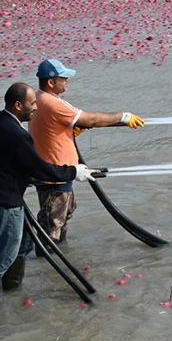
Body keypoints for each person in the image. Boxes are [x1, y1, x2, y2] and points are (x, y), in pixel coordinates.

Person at [0, 83, 95, 307]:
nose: (36, 109)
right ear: (18, 105)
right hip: (3, 204)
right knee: (1, 256)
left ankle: (12, 293)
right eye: (32, 104)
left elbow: (6, 162)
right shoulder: (18, 134)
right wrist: (74, 171)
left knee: (23, 245)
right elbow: (40, 168)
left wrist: (26, 177)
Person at [29, 59, 145, 243]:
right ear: (51, 82)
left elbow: (50, 129)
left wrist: (70, 131)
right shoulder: (52, 103)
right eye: (63, 77)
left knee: (62, 217)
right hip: (54, 175)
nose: (67, 80)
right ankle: (52, 264)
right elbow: (90, 119)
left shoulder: (39, 98)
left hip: (57, 172)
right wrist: (123, 116)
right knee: (51, 230)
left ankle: (53, 264)